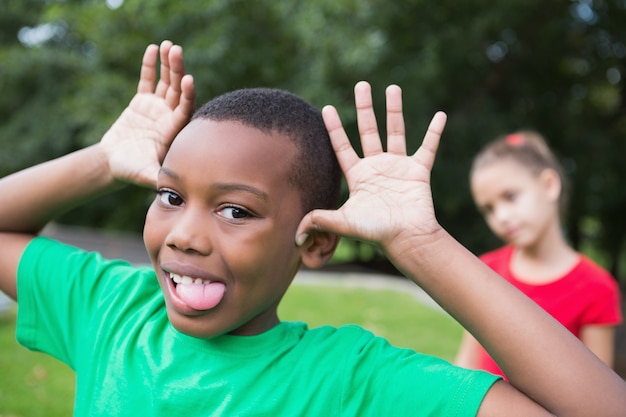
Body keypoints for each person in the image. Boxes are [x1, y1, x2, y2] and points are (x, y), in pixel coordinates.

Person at [0, 40, 625, 416]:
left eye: (235, 210)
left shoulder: (351, 379)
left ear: (315, 241)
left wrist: (420, 245)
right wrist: (103, 162)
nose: (184, 234)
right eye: (169, 195)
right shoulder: (109, 308)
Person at [455, 131, 623, 379]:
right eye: (488, 209)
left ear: (549, 185)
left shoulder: (598, 288)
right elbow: (467, 364)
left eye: (510, 197)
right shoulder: (484, 270)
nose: (500, 217)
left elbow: (600, 393)